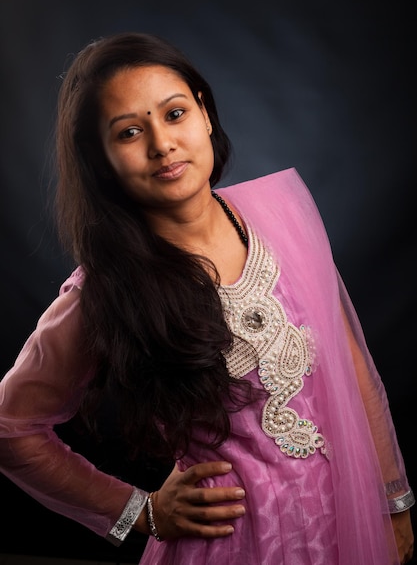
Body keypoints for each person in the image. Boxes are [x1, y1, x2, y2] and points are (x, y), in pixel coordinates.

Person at [0, 32, 414, 565]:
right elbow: (10, 426)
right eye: (129, 132)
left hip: (346, 523)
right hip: (235, 544)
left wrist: (393, 501)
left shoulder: (281, 214)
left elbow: (352, 368)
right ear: (100, 159)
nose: (161, 144)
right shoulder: (104, 291)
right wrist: (139, 510)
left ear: (203, 111)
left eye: (174, 114)